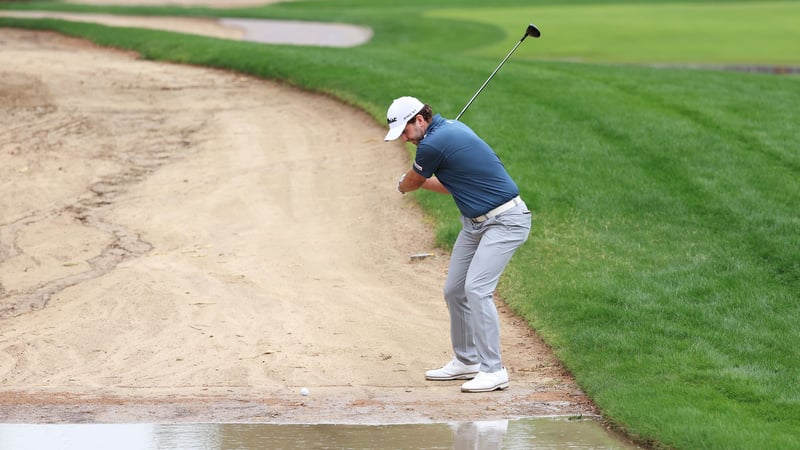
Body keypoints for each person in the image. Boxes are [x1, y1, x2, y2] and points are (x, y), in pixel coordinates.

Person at [384, 96, 532, 393]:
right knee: (454, 290)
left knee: (477, 289)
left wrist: (404, 182)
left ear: (420, 120)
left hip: (505, 221)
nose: (404, 138)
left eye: (405, 130)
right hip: (476, 224)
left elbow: (411, 182)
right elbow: (448, 186)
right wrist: (419, 179)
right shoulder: (444, 135)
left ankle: (494, 369)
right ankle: (467, 361)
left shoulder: (433, 144)